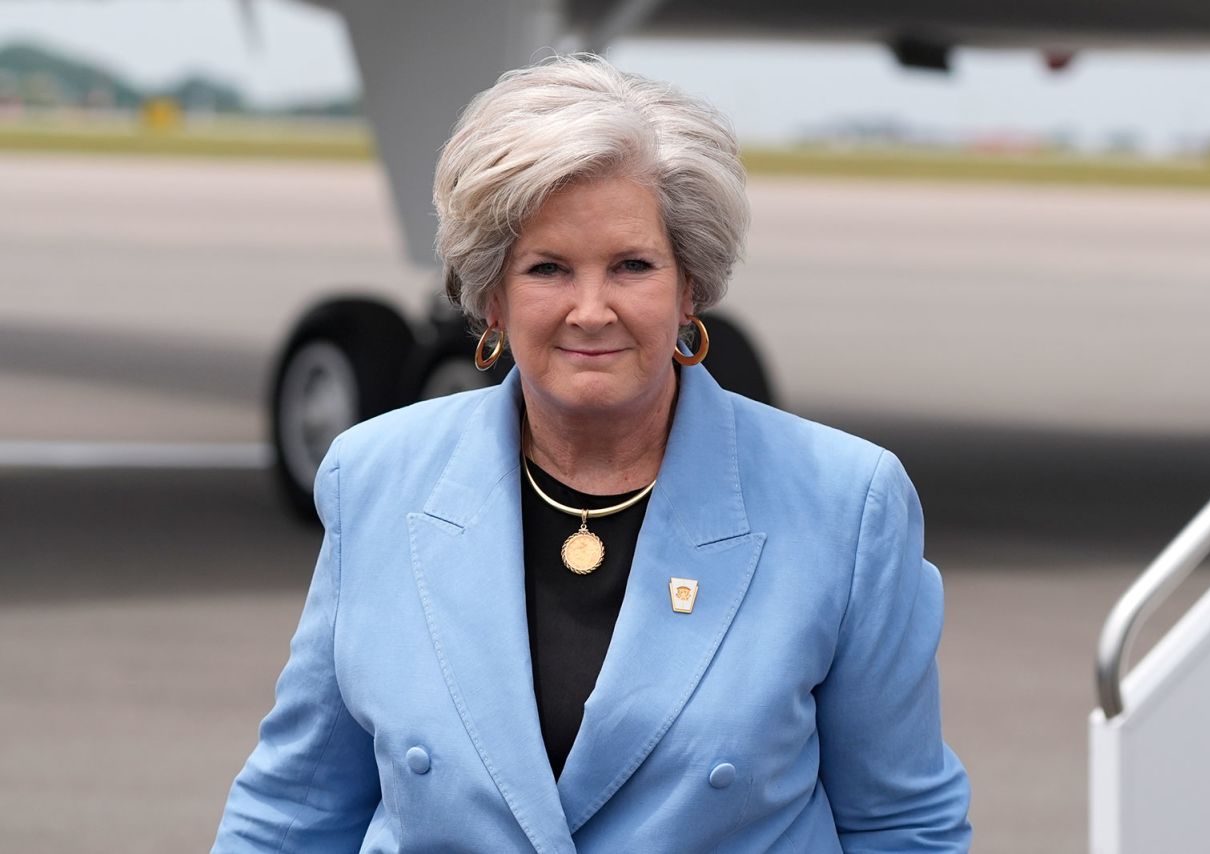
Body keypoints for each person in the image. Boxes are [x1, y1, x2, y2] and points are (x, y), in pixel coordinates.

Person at [213, 54, 970, 853]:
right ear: (492, 297)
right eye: (548, 268)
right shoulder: (375, 479)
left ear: (691, 288)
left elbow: (902, 826)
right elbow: (293, 810)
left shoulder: (848, 504)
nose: (591, 309)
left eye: (632, 266)